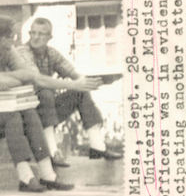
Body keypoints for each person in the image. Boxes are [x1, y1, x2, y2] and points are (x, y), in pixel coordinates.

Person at [0, 17, 75, 193]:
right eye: (13, 36)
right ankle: (25, 177)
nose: (15, 40)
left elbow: (30, 74)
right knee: (12, 117)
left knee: (28, 111)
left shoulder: (7, 51)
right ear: (3, 39)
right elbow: (4, 82)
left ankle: (48, 175)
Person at [16, 17, 122, 162]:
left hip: (44, 110)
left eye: (41, 34)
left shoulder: (51, 53)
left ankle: (97, 147)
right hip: (24, 113)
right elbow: (39, 81)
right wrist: (75, 84)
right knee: (45, 93)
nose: (35, 37)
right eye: (32, 33)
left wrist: (86, 83)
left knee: (80, 93)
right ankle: (52, 152)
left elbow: (74, 74)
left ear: (49, 37)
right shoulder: (22, 52)